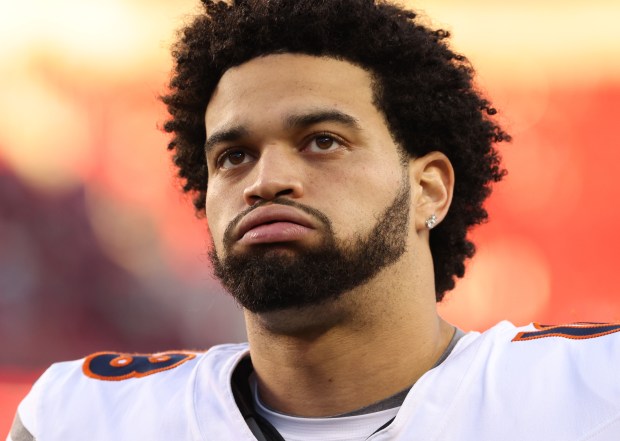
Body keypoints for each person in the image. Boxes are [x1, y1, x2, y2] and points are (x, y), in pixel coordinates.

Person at [8, 0, 620, 440]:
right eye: (233, 156)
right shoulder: (82, 418)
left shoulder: (594, 388)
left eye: (322, 141)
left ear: (429, 188)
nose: (266, 180)